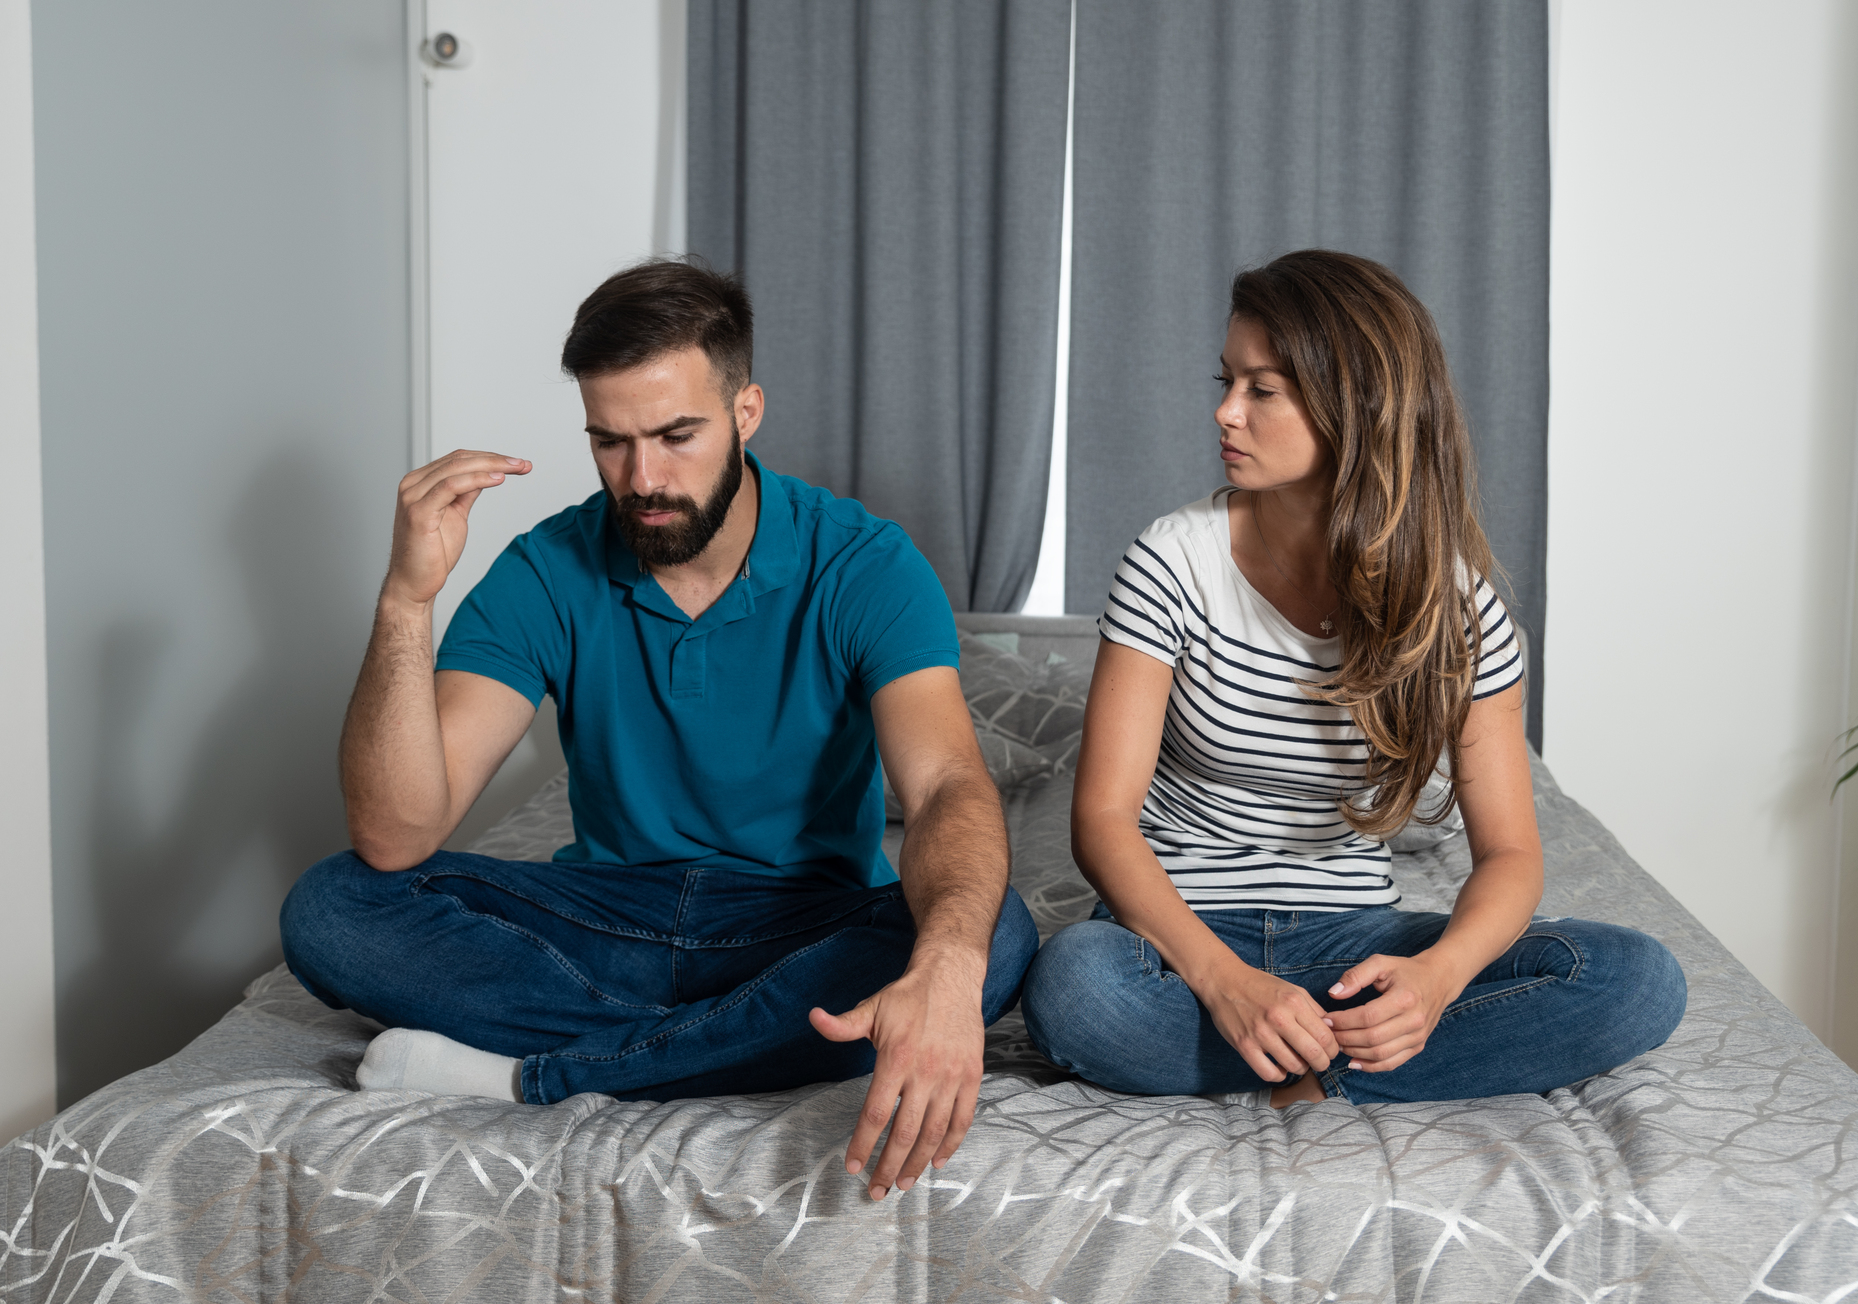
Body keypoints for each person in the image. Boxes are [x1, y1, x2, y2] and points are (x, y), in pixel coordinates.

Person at [280, 258, 1037, 1201]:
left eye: (677, 435)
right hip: (604, 914)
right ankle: (728, 1041)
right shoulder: (545, 569)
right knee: (333, 907)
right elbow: (399, 834)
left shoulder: (863, 564)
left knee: (990, 935)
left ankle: (535, 1073)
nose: (644, 479)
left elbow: (945, 790)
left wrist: (949, 964)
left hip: (796, 922)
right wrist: (405, 601)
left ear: (746, 411)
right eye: (611, 443)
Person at [1020, 250, 1684, 1108]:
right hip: (1178, 943)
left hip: (1355, 943)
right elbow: (1103, 822)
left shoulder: (1459, 609)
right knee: (1075, 988)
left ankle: (1310, 1063)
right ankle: (1345, 1065)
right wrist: (1225, 986)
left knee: (1637, 979)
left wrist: (1437, 981)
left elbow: (1513, 855)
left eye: (1262, 390)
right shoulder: (1171, 561)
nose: (1225, 412)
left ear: (1353, 406)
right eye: (1226, 382)